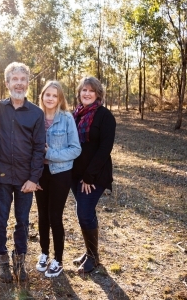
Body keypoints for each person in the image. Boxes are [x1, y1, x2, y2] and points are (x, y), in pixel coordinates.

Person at [0, 62, 46, 283]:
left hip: (25, 179)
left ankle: (20, 260)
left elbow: (38, 147)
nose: (19, 83)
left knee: (22, 221)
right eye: (15, 79)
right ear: (7, 83)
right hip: (1, 176)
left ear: (27, 83)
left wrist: (34, 178)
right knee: (0, 220)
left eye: (23, 79)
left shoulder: (36, 113)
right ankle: (2, 259)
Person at [34, 81, 81, 278]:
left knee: (55, 216)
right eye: (47, 94)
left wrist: (50, 153)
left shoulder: (67, 118)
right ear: (42, 96)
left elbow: (75, 149)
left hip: (60, 173)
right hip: (40, 173)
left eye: (54, 95)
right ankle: (44, 253)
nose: (50, 98)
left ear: (60, 98)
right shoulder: (35, 117)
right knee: (42, 216)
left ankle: (58, 260)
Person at [70, 77, 116, 274]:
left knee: (84, 212)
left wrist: (89, 176)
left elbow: (105, 149)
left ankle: (93, 257)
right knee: (84, 212)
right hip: (74, 174)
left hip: (94, 176)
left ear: (98, 94)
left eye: (91, 90)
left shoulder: (105, 116)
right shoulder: (76, 115)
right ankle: (90, 252)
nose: (87, 94)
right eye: (83, 90)